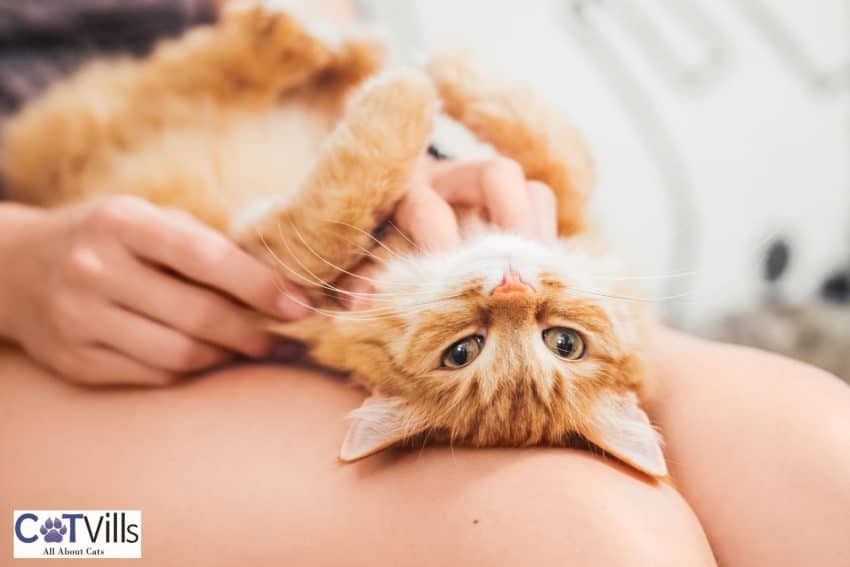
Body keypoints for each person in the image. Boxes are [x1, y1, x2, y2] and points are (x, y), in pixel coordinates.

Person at [1, 2, 849, 565]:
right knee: (580, 541)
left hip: (244, 146)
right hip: (34, 381)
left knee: (818, 456)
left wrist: (412, 181)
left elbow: (325, 44)